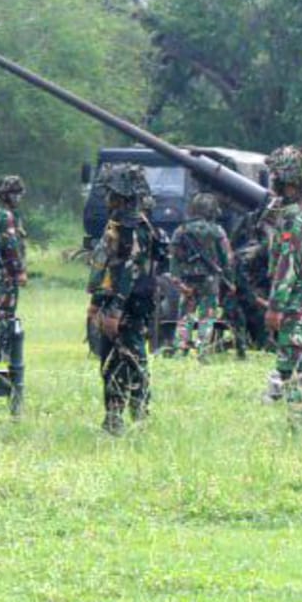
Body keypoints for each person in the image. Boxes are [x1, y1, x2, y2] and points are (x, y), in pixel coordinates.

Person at [86, 163, 160, 434]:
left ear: (122, 194)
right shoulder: (119, 222)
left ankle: (139, 416)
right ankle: (113, 418)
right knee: (111, 362)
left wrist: (115, 310)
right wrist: (96, 303)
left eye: (111, 193)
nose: (107, 198)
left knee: (132, 358)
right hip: (113, 302)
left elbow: (128, 270)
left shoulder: (133, 227)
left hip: (127, 306)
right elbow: (106, 267)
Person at [262, 145, 302, 427]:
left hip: (297, 300)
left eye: (275, 174)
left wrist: (275, 307)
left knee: (294, 364)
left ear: (285, 177)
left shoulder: (293, 215)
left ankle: (299, 426)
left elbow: (287, 263)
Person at [170, 192, 233, 361]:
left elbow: (173, 257)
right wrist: (230, 280)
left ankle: (180, 350)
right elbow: (227, 259)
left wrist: (177, 281)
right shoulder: (217, 230)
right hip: (210, 280)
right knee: (207, 316)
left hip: (187, 281)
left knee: (185, 316)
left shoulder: (181, 230)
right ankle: (202, 351)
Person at [0, 174, 28, 359]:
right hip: (7, 271)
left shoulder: (2, 214)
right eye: (14, 193)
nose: (18, 198)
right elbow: (10, 246)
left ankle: (2, 349)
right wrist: (19, 271)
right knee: (5, 311)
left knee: (4, 310)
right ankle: (1, 350)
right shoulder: (5, 216)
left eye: (19, 193)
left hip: (3, 269)